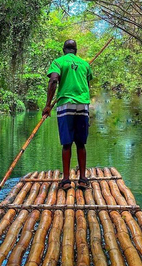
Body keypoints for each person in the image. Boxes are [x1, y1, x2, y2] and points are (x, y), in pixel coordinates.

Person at [42, 39, 93, 190]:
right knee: (81, 143)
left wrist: (47, 105)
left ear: (64, 49)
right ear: (76, 50)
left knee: (67, 143)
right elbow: (87, 84)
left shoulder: (58, 62)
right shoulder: (85, 64)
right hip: (82, 104)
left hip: (66, 104)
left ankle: (66, 180)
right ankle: (82, 179)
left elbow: (53, 81)